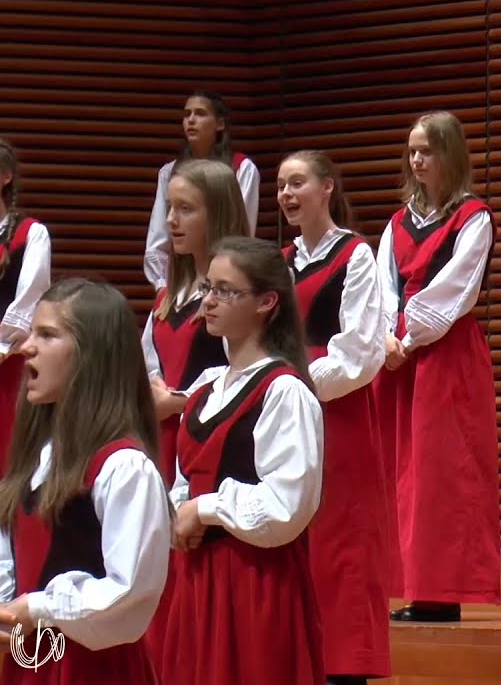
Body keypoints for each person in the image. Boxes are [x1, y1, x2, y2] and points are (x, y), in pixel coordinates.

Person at [162, 237, 324, 685]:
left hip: (254, 583)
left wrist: (204, 509)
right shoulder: (205, 389)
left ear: (267, 301)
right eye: (208, 288)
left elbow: (288, 506)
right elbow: (184, 480)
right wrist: (180, 513)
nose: (208, 302)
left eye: (225, 291)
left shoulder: (283, 391)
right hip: (196, 580)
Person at [0, 279, 169, 684]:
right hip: (29, 661)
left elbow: (129, 594)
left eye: (47, 335)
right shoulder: (39, 457)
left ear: (90, 356)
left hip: (91, 670)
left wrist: (39, 608)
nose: (27, 348)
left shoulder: (124, 467)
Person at [377, 112, 500, 622]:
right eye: (412, 151)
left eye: (426, 150)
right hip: (397, 354)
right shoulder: (399, 220)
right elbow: (384, 283)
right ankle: (408, 584)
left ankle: (440, 592)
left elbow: (455, 289)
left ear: (449, 154)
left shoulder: (473, 217)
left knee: (440, 473)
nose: (417, 160)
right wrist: (385, 332)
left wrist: (407, 335)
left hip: (444, 353)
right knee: (399, 471)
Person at [279, 151, 390, 683]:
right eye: (281, 185)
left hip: (337, 418)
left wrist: (293, 384)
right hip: (282, 415)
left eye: (297, 182)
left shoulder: (356, 256)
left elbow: (362, 353)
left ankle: (348, 669)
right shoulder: (278, 263)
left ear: (326, 189)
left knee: (342, 545)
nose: (286, 193)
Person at [144, 159, 252, 486]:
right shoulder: (168, 298)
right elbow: (150, 365)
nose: (171, 220)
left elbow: (249, 376)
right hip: (160, 442)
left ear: (216, 213)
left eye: (186, 209)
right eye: (170, 208)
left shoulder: (241, 293)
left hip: (212, 446)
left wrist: (177, 401)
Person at [144, 90, 259, 290]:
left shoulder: (241, 168)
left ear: (220, 124)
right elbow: (158, 240)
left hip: (222, 282)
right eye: (187, 114)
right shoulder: (169, 172)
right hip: (179, 283)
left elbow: (241, 235)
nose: (191, 120)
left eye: (200, 113)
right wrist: (162, 288)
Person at [0, 139, 52, 472]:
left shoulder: (31, 234)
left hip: (9, 364)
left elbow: (31, 298)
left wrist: (3, 344)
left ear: (5, 177)